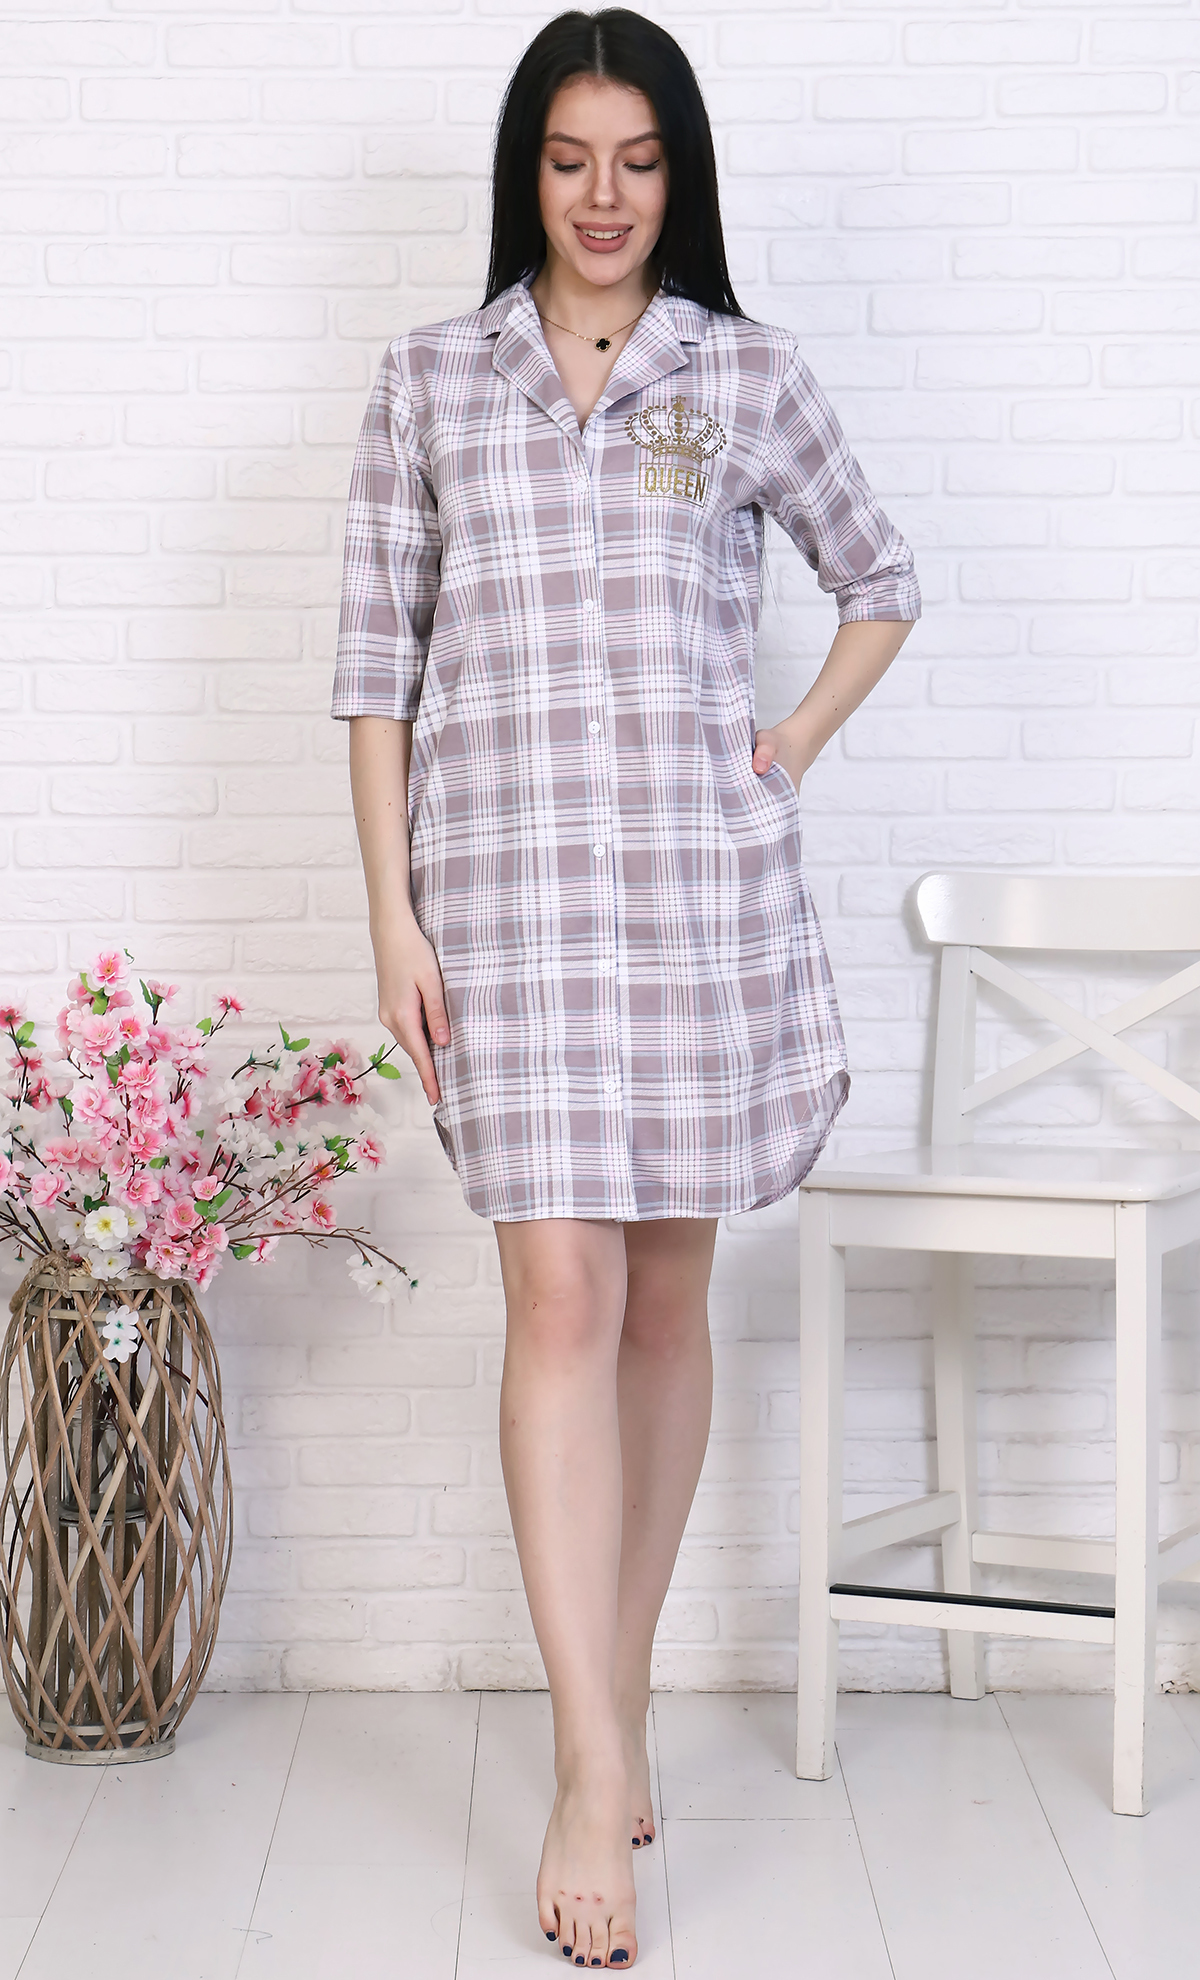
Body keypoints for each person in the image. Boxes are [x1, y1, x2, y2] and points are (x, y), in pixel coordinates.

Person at [332, 9, 918, 1966]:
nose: (604, 196)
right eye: (572, 158)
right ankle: (593, 1767)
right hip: (499, 905)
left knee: (666, 1295)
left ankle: (619, 1693)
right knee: (558, 1293)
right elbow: (375, 674)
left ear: (682, 174)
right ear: (529, 169)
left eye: (640, 160)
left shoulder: (741, 376)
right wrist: (392, 920)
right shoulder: (432, 381)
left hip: (691, 896)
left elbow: (880, 579)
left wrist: (785, 748)